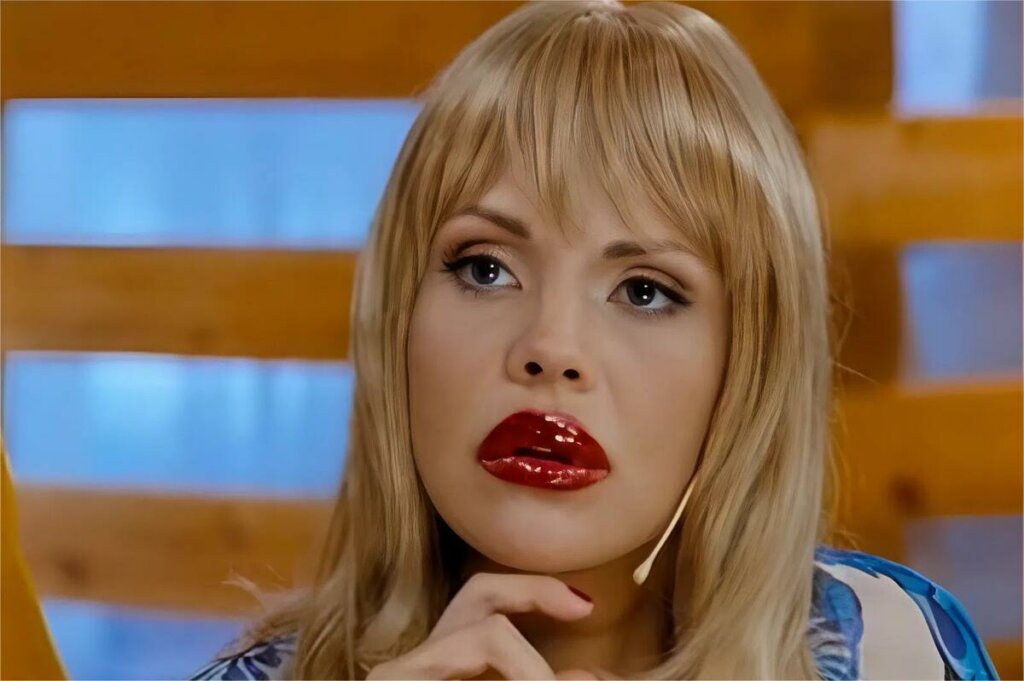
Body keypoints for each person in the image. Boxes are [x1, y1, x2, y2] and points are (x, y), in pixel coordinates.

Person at [189, 1, 998, 678]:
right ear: (397, 316)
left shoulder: (895, 649)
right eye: (485, 268)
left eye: (644, 290)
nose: (550, 346)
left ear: (748, 363)